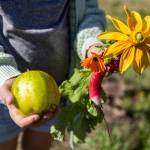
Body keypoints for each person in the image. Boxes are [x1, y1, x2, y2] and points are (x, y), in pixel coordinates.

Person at [0, 0, 106, 150]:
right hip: (5, 91)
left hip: (55, 91)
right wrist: (2, 71)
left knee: (39, 143)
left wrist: (91, 43)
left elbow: (89, 11)